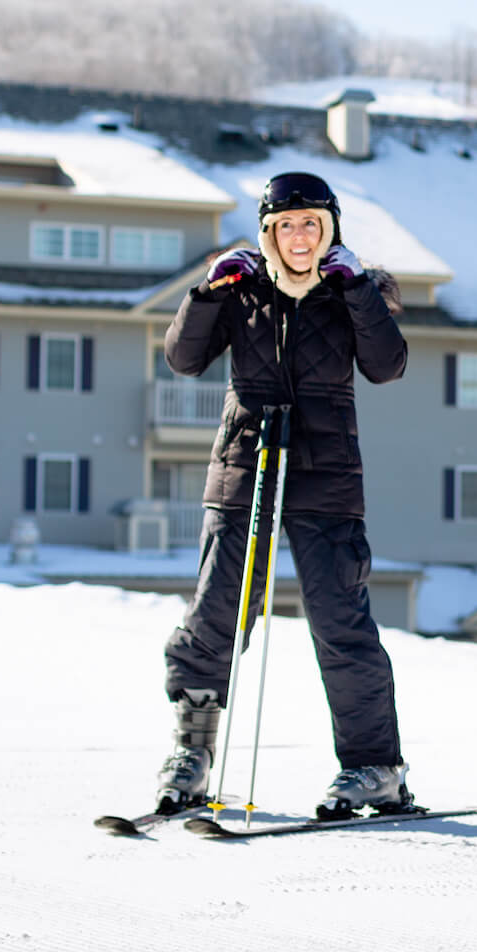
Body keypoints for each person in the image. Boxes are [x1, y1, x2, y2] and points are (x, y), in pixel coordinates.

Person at [157, 171, 411, 819]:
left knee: (339, 621)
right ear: (269, 231)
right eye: (286, 225)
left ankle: (374, 767)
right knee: (216, 613)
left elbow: (387, 365)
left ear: (329, 229)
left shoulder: (354, 289)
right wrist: (209, 290)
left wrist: (357, 292)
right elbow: (183, 358)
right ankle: (191, 754)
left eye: (312, 224)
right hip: (246, 465)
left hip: (326, 478)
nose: (299, 237)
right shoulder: (242, 289)